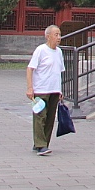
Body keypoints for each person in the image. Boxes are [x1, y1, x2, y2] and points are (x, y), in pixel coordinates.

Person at [25, 25, 65, 156]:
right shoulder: (41, 50)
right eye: (56, 35)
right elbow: (30, 69)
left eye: (59, 35)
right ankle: (40, 145)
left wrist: (60, 90)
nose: (59, 37)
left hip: (54, 90)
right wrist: (30, 88)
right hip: (41, 89)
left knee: (50, 118)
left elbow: (59, 72)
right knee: (40, 117)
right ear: (48, 36)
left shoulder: (59, 52)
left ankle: (43, 143)